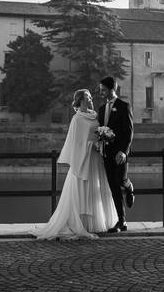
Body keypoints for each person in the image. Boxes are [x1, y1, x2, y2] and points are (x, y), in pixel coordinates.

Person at [34, 89, 118, 239]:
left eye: (91, 97)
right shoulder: (77, 119)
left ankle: (95, 223)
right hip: (83, 160)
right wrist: (91, 145)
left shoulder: (95, 116)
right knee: (83, 189)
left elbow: (96, 134)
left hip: (95, 159)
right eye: (87, 97)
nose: (90, 99)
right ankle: (82, 223)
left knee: (95, 188)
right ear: (80, 100)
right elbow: (76, 143)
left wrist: (102, 141)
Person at [97, 75, 134, 233]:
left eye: (103, 90)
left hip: (120, 153)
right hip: (106, 153)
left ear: (112, 90)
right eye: (100, 90)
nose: (101, 93)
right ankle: (122, 221)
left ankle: (129, 186)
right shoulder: (101, 109)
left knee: (120, 181)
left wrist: (124, 152)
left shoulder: (124, 106)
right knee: (113, 186)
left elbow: (129, 132)